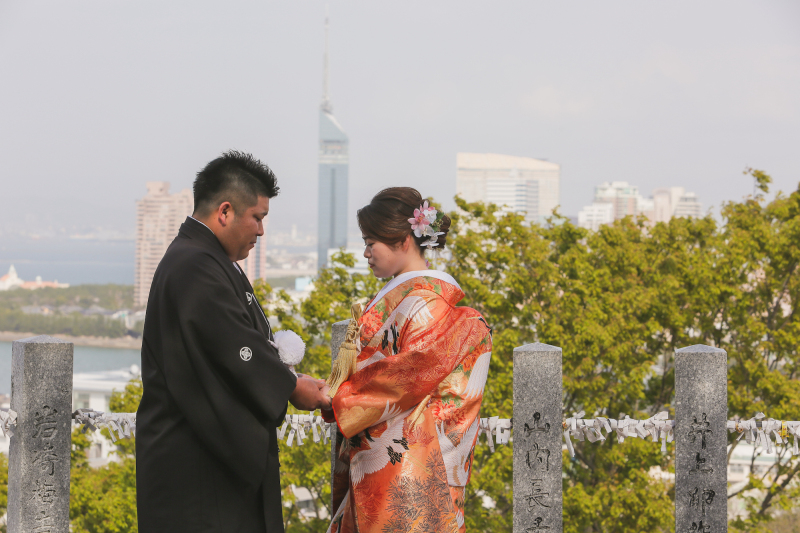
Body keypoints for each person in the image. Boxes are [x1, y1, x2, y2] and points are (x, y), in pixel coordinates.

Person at [136, 150, 331, 533]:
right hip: (194, 468)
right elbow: (235, 351)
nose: (261, 231)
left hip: (203, 458)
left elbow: (241, 347)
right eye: (257, 218)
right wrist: (291, 386)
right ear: (225, 211)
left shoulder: (206, 259)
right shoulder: (194, 266)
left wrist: (286, 377)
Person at [323, 187, 493, 533]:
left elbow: (404, 379)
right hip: (382, 453)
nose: (367, 252)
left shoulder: (426, 304)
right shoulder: (409, 296)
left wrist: (342, 397)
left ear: (403, 241)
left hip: (410, 462)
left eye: (372, 242)